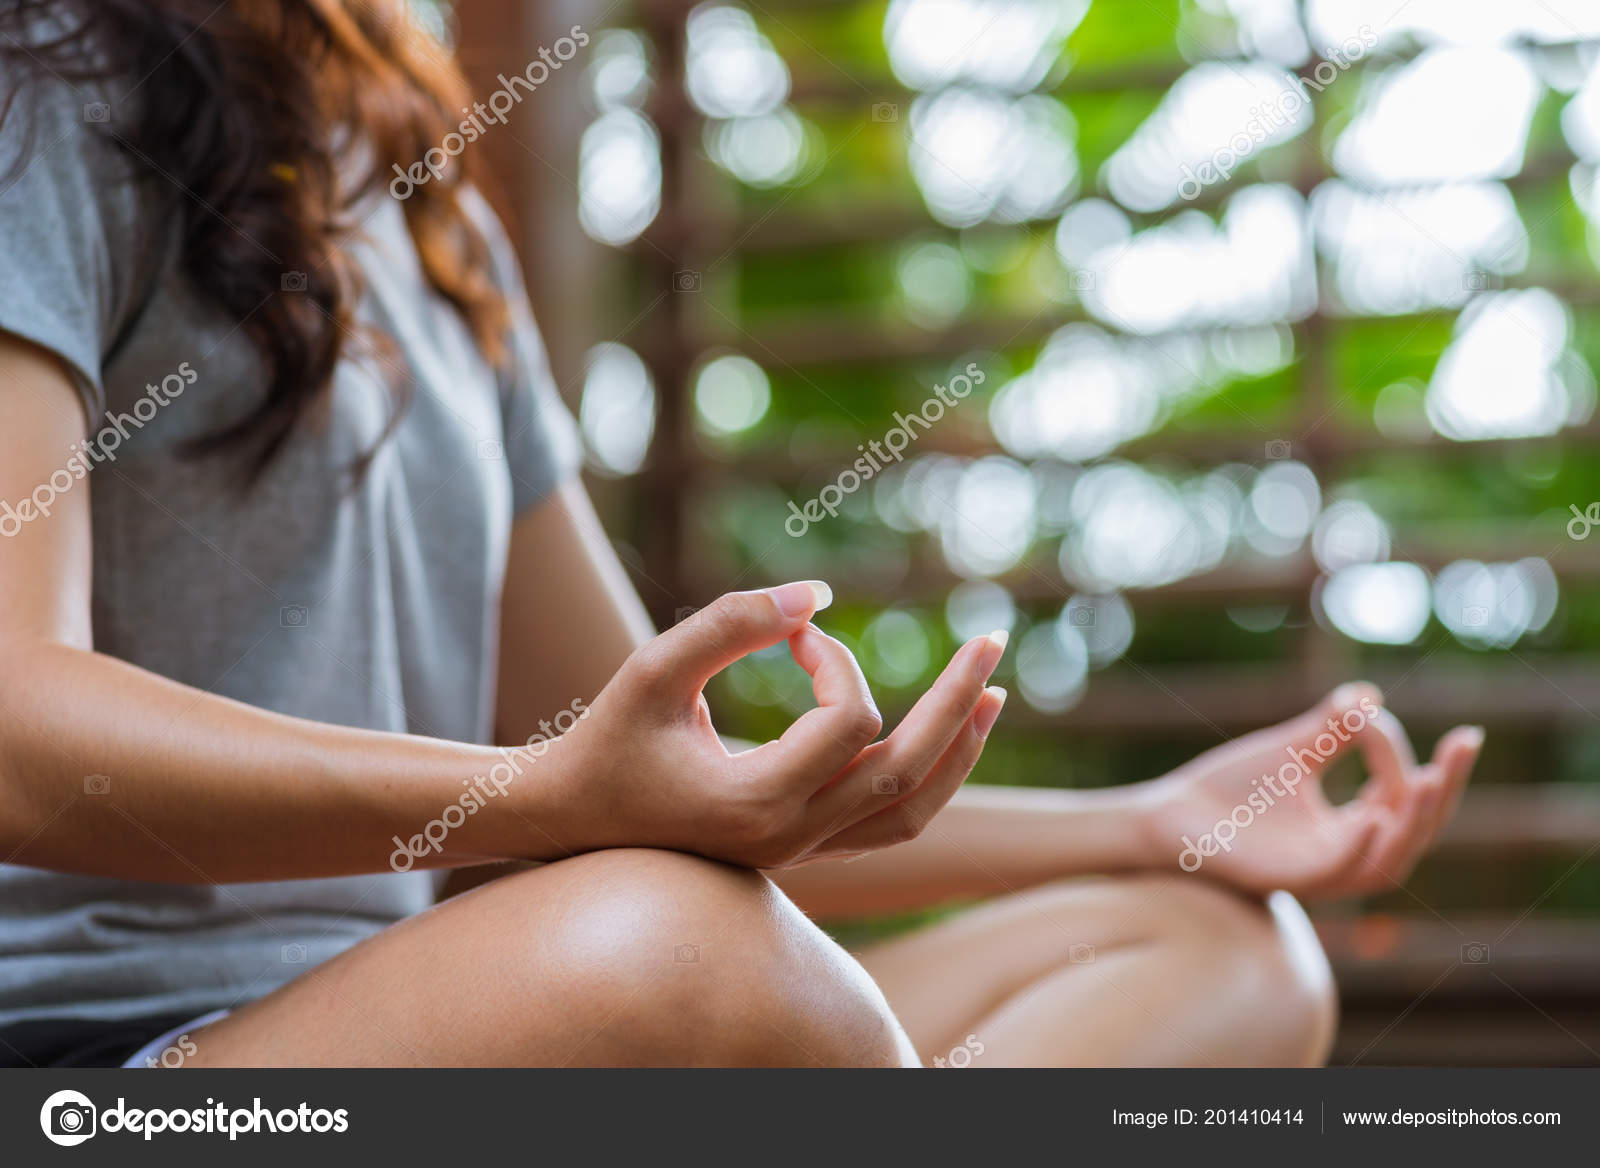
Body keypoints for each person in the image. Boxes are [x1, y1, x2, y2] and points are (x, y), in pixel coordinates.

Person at [0, 0, 1482, 1068]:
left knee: (1216, 949)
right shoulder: (43, 83)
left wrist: (1162, 822)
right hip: (128, 1074)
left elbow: (680, 784)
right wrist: (538, 798)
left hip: (432, 1026)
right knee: (678, 948)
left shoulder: (420, 197)